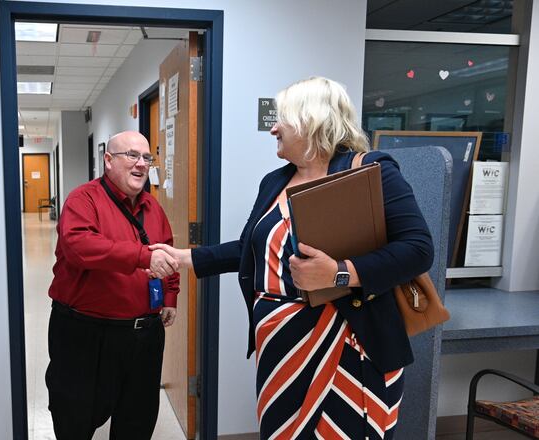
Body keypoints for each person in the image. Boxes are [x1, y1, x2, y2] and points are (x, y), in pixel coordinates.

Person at [151, 77, 433, 439]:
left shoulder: (370, 171)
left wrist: (339, 274)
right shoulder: (274, 181)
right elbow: (250, 249)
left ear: (311, 120)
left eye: (281, 118)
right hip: (282, 349)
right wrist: (186, 258)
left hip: (350, 347)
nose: (273, 128)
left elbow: (418, 248)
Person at [46, 130, 180, 440]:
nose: (141, 164)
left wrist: (170, 295)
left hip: (143, 336)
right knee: (74, 417)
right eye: (131, 155)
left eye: (147, 157)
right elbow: (80, 246)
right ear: (108, 160)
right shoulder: (84, 199)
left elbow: (167, 251)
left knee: (137, 419)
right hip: (86, 334)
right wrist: (142, 255)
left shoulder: (152, 207)